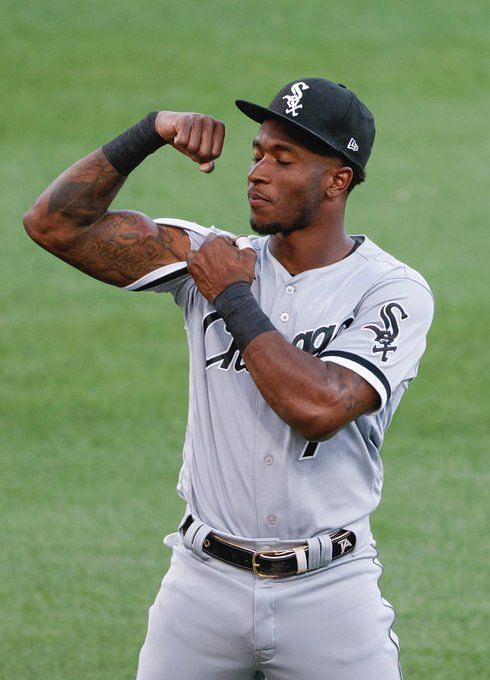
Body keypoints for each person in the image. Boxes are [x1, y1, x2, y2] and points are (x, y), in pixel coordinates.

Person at [24, 77, 434, 679]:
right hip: (202, 587)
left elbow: (321, 406)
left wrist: (232, 296)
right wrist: (148, 132)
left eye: (283, 159)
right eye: (257, 153)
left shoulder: (390, 291)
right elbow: (54, 225)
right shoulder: (210, 255)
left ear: (337, 180)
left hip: (330, 593)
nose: (257, 172)